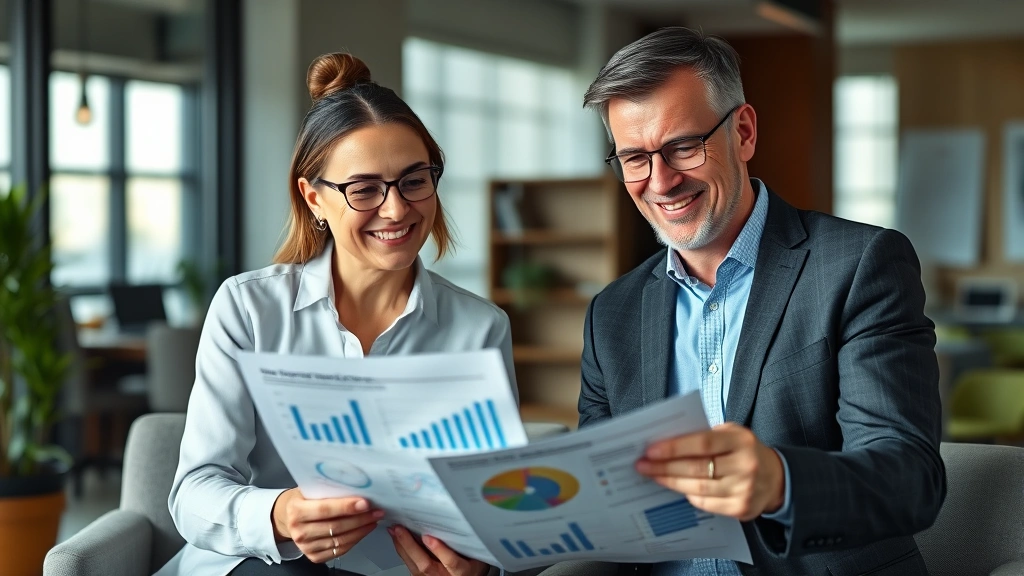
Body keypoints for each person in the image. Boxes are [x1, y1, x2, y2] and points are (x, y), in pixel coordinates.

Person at [577, 27, 945, 575]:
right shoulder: (612, 314)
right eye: (634, 157)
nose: (660, 181)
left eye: (683, 146)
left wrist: (780, 481)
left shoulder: (860, 266)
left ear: (743, 132)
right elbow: (596, 500)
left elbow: (909, 480)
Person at [156, 53, 514, 576]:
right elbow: (193, 492)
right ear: (314, 198)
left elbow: (492, 505)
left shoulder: (480, 328)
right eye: (364, 189)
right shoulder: (248, 308)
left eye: (415, 180)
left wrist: (478, 566)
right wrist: (279, 514)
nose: (395, 209)